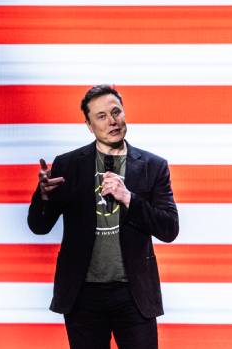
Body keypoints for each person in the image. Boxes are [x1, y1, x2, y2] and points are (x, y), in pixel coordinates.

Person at [28, 85, 179, 349]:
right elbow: (39, 226)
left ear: (124, 114)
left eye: (116, 112)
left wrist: (128, 197)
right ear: (88, 125)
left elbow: (169, 229)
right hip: (83, 295)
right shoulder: (68, 165)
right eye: (101, 116)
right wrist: (43, 196)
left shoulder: (153, 166)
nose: (112, 121)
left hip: (134, 295)